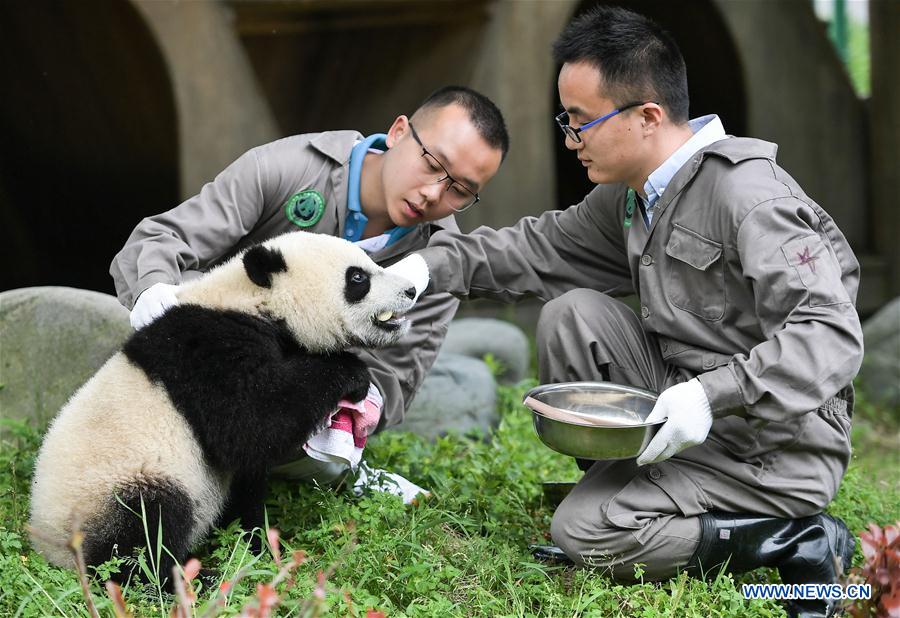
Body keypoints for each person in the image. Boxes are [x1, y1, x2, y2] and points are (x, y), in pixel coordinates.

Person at [392, 7, 862, 617]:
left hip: (773, 448)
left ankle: (792, 542)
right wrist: (425, 268)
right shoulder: (636, 197)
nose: (569, 139)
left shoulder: (749, 196)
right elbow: (539, 249)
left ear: (647, 116)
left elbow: (829, 335)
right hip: (688, 411)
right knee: (572, 314)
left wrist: (709, 396)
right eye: (567, 120)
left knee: (584, 531)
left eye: (583, 121)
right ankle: (639, 491)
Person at [111, 85, 508, 489]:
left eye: (459, 190)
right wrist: (154, 295)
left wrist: (326, 408)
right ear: (399, 132)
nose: (432, 193)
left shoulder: (440, 259)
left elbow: (394, 378)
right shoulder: (286, 168)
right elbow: (160, 241)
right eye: (431, 163)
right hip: (214, 353)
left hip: (302, 399)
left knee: (325, 447)